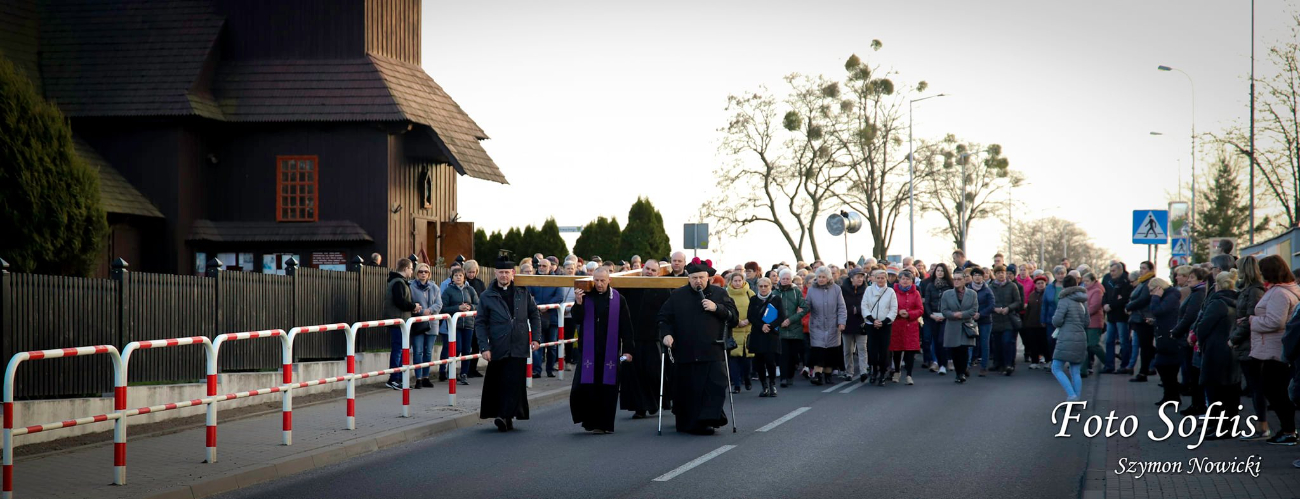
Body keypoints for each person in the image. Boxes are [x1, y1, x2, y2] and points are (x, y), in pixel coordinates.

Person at [658, 258, 737, 435]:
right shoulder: (678, 295)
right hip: (686, 351)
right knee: (688, 389)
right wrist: (667, 334)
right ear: (688, 278)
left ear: (708, 277)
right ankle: (690, 423)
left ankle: (708, 420)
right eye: (694, 278)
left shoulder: (719, 294)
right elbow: (664, 318)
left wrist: (717, 308)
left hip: (712, 350)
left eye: (701, 277)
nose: (698, 281)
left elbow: (734, 317)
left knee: (713, 387)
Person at [476, 255, 542, 432]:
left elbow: (534, 314)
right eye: (501, 272)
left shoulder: (522, 292)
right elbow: (480, 322)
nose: (504, 275)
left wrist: (536, 338)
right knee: (499, 382)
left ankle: (505, 416)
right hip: (498, 345)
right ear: (495, 273)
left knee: (514, 382)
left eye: (507, 272)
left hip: (519, 344)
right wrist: (484, 347)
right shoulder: (487, 296)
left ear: (513, 273)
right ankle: (503, 415)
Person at [568, 268, 635, 434]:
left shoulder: (619, 300)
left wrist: (628, 350)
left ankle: (604, 424)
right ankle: (589, 421)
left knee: (607, 389)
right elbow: (576, 319)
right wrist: (578, 302)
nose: (599, 284)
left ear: (609, 280)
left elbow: (626, 327)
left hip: (609, 352)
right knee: (585, 387)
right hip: (588, 352)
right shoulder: (586, 297)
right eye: (596, 280)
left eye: (602, 280)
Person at [1248, 255, 1300, 444]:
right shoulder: (1289, 289)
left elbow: (1275, 321)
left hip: (1275, 348)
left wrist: (1253, 321)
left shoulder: (1279, 293)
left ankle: (1288, 430)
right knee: (1275, 390)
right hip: (1276, 347)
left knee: (1274, 390)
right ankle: (1287, 429)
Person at [620, 260, 672, 418]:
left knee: (653, 372)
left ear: (658, 272)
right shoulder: (631, 286)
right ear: (642, 269)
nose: (649, 272)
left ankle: (656, 402)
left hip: (653, 338)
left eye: (653, 270)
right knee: (634, 375)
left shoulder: (663, 289)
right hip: (633, 338)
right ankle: (640, 408)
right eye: (647, 269)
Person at [1230, 256, 1270, 440]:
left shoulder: (1254, 291)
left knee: (1257, 387)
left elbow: (1251, 318)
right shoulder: (1248, 290)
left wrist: (1235, 338)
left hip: (1250, 344)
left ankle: (1262, 426)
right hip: (1247, 342)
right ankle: (1261, 425)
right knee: (1255, 386)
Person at [1197, 269, 1240, 438]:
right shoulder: (1237, 301)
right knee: (1231, 390)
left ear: (1217, 285)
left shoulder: (1217, 303)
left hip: (1215, 349)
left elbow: (1203, 326)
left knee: (1215, 390)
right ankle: (1227, 425)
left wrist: (1200, 340)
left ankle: (1218, 426)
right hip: (1232, 349)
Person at [1170, 267, 1208, 416]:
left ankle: (1198, 405)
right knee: (1191, 371)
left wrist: (1176, 331)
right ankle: (1196, 404)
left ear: (1200, 280)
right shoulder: (1195, 292)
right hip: (1186, 336)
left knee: (1193, 372)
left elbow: (1190, 316)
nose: (1189, 280)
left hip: (1188, 338)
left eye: (1192, 277)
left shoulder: (1198, 294)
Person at [806, 266, 848, 385]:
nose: (821, 279)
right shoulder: (812, 290)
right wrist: (802, 310)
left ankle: (828, 375)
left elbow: (841, 307)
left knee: (831, 351)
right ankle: (817, 375)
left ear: (828, 278)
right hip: (817, 324)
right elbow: (807, 305)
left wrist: (841, 322)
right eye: (819, 277)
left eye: (823, 277)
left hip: (832, 324)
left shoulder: (836, 289)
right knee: (818, 350)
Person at [383, 258, 421, 390]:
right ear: (405, 269)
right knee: (398, 349)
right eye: (411, 269)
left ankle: (398, 378)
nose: (412, 271)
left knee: (401, 349)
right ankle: (393, 379)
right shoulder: (398, 283)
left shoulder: (399, 282)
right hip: (398, 321)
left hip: (401, 321)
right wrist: (413, 306)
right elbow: (400, 301)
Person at [1050, 275, 1088, 402]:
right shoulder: (1083, 300)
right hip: (1080, 337)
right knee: (1075, 370)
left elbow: (1057, 321)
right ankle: (1076, 398)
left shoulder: (1064, 300)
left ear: (1064, 286)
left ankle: (1071, 395)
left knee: (1056, 367)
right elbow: (1087, 322)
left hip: (1066, 337)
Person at [439, 267, 478, 384]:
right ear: (452, 278)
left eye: (460, 275)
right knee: (457, 348)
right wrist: (458, 308)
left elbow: (478, 303)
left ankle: (464, 373)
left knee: (467, 349)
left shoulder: (470, 290)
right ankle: (451, 371)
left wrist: (470, 307)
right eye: (456, 276)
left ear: (464, 277)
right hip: (455, 324)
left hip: (469, 323)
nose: (458, 278)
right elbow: (443, 308)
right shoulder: (448, 291)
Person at [1148, 277, 1182, 406]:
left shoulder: (1171, 296)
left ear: (1159, 288)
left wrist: (1155, 297)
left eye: (1152, 290)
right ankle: (1170, 395)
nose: (1151, 294)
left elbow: (1158, 311)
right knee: (1164, 366)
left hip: (1169, 336)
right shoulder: (1169, 296)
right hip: (1165, 334)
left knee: (1166, 366)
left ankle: (1172, 396)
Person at [748, 277, 784, 397]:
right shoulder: (753, 299)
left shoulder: (776, 299)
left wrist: (770, 326)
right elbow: (750, 316)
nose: (763, 288)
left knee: (770, 361)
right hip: (758, 334)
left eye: (766, 286)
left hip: (771, 334)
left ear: (770, 286)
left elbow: (781, 316)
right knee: (759, 361)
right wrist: (761, 326)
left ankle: (772, 384)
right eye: (761, 286)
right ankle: (764, 386)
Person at [941, 270, 978, 383]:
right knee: (955, 350)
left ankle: (962, 373)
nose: (956, 281)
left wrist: (962, 314)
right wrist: (953, 315)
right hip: (952, 325)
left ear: (964, 280)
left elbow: (974, 309)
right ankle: (958, 372)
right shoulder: (947, 294)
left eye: (959, 279)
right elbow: (944, 310)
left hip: (966, 325)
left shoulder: (972, 294)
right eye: (954, 279)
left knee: (964, 349)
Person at [409, 263, 442, 389]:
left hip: (432, 323)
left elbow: (439, 304)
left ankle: (426, 377)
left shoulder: (435, 287)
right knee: (418, 351)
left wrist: (430, 310)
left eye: (426, 272)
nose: (423, 273)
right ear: (416, 273)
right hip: (418, 323)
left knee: (428, 351)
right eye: (421, 271)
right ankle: (418, 379)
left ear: (429, 274)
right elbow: (411, 304)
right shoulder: (411, 287)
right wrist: (422, 312)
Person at [529, 258, 564, 379]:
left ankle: (550, 369)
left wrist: (547, 306)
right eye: (539, 265)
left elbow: (560, 296)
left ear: (550, 267)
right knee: (538, 344)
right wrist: (538, 305)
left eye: (544, 266)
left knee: (552, 346)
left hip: (552, 317)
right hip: (537, 317)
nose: (541, 268)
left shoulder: (556, 280)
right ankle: (536, 370)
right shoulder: (533, 279)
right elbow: (529, 295)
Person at [776, 269, 809, 387]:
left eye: (788, 279)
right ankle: (784, 378)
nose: (785, 281)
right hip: (781, 329)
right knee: (783, 354)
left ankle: (790, 376)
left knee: (793, 355)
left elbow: (805, 308)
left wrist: (791, 319)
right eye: (783, 279)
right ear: (780, 279)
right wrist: (780, 321)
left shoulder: (796, 292)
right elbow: (770, 310)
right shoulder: (775, 293)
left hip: (795, 328)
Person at [1125, 261, 1157, 382]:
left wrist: (1129, 306)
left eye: (1144, 268)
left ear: (1150, 270)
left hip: (1144, 318)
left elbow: (1143, 299)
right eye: (1140, 268)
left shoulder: (1149, 282)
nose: (1141, 270)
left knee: (1146, 347)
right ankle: (1145, 370)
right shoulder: (1142, 282)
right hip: (1138, 318)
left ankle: (1143, 372)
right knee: (1145, 346)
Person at [988, 264, 1022, 375]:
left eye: (1002, 272)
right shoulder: (990, 287)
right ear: (995, 274)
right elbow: (987, 303)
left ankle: (1008, 364)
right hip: (996, 319)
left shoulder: (1012, 286)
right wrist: (994, 309)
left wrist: (1008, 308)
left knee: (1007, 342)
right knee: (997, 344)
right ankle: (999, 363)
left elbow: (1018, 301)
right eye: (998, 273)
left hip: (1009, 319)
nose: (1001, 275)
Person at [891, 270, 923, 385]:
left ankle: (909, 375)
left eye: (908, 279)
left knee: (910, 351)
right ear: (899, 280)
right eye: (903, 278)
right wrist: (899, 312)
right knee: (897, 350)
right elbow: (889, 307)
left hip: (911, 325)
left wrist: (909, 313)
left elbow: (920, 309)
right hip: (897, 324)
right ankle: (896, 371)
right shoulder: (893, 292)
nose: (905, 281)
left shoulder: (916, 293)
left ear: (912, 281)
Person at [725, 272, 756, 393]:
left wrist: (748, 320)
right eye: (735, 281)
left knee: (747, 360)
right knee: (734, 360)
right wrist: (737, 321)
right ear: (731, 282)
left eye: (739, 280)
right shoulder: (726, 294)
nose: (737, 283)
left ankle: (747, 378)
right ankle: (737, 385)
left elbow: (756, 309)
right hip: (733, 330)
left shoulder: (750, 293)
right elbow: (725, 311)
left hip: (748, 330)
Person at [1102, 262, 1133, 374]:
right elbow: (1106, 295)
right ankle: (1109, 365)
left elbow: (1124, 299)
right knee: (1109, 341)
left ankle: (1124, 365)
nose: (1112, 273)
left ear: (1120, 270)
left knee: (1124, 341)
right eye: (1110, 271)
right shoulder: (1109, 281)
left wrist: (1111, 305)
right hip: (1111, 317)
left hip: (1121, 317)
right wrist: (1105, 304)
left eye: (1114, 271)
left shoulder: (1126, 282)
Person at [924, 263, 955, 374]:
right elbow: (927, 303)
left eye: (942, 271)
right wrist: (931, 315)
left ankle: (944, 363)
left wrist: (947, 314)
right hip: (934, 317)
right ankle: (939, 363)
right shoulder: (930, 286)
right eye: (938, 271)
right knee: (936, 341)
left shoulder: (950, 286)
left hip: (946, 317)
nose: (940, 273)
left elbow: (953, 303)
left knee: (943, 340)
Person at [841, 269, 869, 382]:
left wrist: (858, 309)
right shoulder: (842, 290)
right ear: (851, 278)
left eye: (862, 277)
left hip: (861, 323)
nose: (860, 279)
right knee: (848, 350)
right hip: (847, 323)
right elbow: (840, 305)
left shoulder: (867, 290)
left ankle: (863, 371)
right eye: (857, 277)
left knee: (862, 348)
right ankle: (849, 372)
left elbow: (869, 304)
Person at [463, 260, 488, 378]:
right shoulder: (463, 283)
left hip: (478, 317)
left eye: (473, 272)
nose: (472, 274)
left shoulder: (479, 283)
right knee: (467, 345)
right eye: (469, 272)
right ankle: (466, 369)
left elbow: (483, 298)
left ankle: (473, 368)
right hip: (467, 318)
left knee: (477, 344)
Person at [968, 267, 995, 376]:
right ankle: (967, 365)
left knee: (984, 343)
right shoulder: (968, 289)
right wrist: (971, 314)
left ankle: (984, 367)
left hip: (985, 321)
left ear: (983, 277)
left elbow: (992, 305)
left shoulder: (987, 290)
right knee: (969, 343)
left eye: (979, 275)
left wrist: (981, 314)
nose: (977, 277)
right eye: (975, 275)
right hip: (971, 320)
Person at [1082, 272, 1105, 378]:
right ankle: (1083, 369)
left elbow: (1094, 306)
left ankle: (1107, 362)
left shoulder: (1097, 290)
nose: (1085, 283)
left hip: (1094, 322)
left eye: (1087, 281)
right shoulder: (1086, 290)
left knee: (1093, 345)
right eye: (1084, 281)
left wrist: (1083, 314)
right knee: (1085, 346)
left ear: (1093, 280)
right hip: (1086, 322)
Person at [1024, 276, 1048, 369]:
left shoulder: (1047, 294)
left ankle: (1048, 360)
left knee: (1044, 343)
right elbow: (1028, 309)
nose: (1040, 285)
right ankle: (1035, 361)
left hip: (1043, 324)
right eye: (1038, 283)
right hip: (1032, 323)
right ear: (1035, 285)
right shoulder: (1032, 295)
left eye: (1042, 283)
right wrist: (1026, 322)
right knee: (1033, 343)